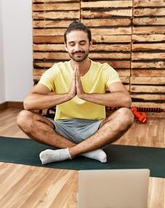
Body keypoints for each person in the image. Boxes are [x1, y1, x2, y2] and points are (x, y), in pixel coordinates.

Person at [17, 21, 134, 165]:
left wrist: (85, 95)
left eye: (82, 43)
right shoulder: (57, 70)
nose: (77, 48)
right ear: (66, 47)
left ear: (90, 44)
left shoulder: (104, 70)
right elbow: (29, 103)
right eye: (72, 44)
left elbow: (125, 100)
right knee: (23, 118)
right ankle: (88, 151)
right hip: (63, 129)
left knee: (126, 115)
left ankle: (68, 152)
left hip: (95, 129)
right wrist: (67, 96)